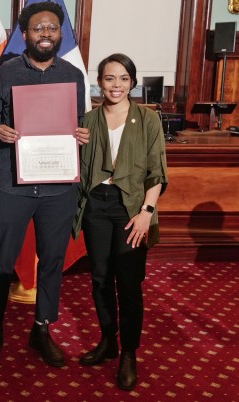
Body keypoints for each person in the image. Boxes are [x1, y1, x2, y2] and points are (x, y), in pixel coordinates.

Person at [0, 1, 90, 367]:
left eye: (53, 28)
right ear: (25, 34)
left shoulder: (74, 74)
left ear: (61, 34)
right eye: (38, 28)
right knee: (2, 259)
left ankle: (42, 328)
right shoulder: (5, 73)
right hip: (14, 182)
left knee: (53, 260)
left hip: (60, 185)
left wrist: (81, 133)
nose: (46, 34)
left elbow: (79, 120)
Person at [73, 53, 168, 390]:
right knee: (100, 279)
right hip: (97, 207)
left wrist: (147, 213)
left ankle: (129, 353)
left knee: (128, 284)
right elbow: (77, 168)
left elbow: (157, 172)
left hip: (132, 209)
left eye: (123, 78)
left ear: (133, 82)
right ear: (99, 82)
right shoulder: (87, 121)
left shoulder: (147, 119)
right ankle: (108, 341)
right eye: (110, 78)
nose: (116, 85)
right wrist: (73, 142)